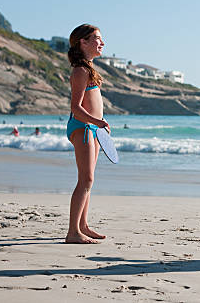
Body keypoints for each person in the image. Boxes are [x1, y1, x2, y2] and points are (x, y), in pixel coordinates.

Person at [65, 24, 111, 244]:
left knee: (88, 181)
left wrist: (98, 124)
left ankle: (83, 226)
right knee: (86, 179)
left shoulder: (88, 68)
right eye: (97, 39)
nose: (102, 43)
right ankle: (73, 232)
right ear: (83, 42)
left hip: (91, 127)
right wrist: (96, 121)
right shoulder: (80, 71)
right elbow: (76, 107)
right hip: (82, 127)